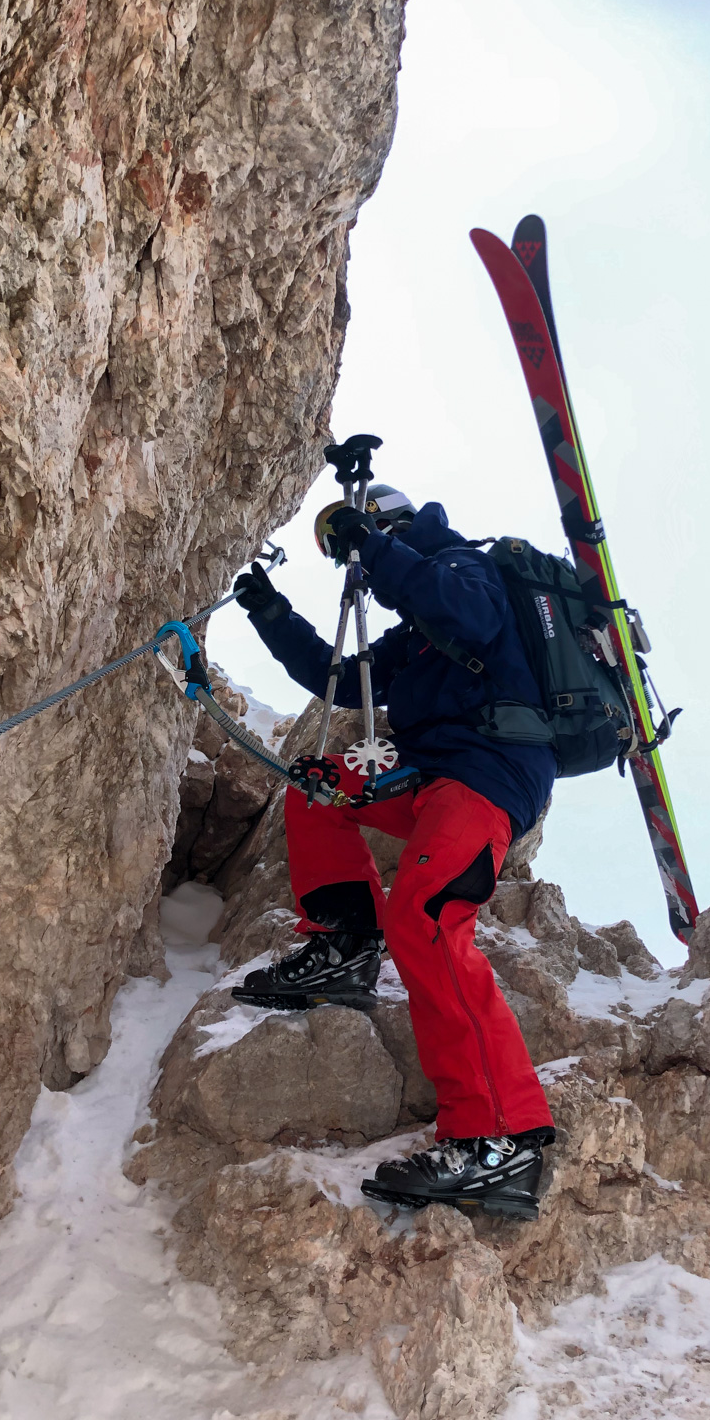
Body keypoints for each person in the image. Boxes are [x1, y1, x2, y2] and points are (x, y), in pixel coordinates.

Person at [231, 483, 557, 1221]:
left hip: (486, 774)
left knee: (428, 919)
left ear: (391, 525)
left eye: (350, 541)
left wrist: (373, 546)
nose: (351, 560)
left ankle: (499, 1138)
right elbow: (341, 681)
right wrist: (271, 614)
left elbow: (468, 613)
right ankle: (346, 945)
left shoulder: (464, 566)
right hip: (427, 774)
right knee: (318, 787)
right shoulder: (414, 635)